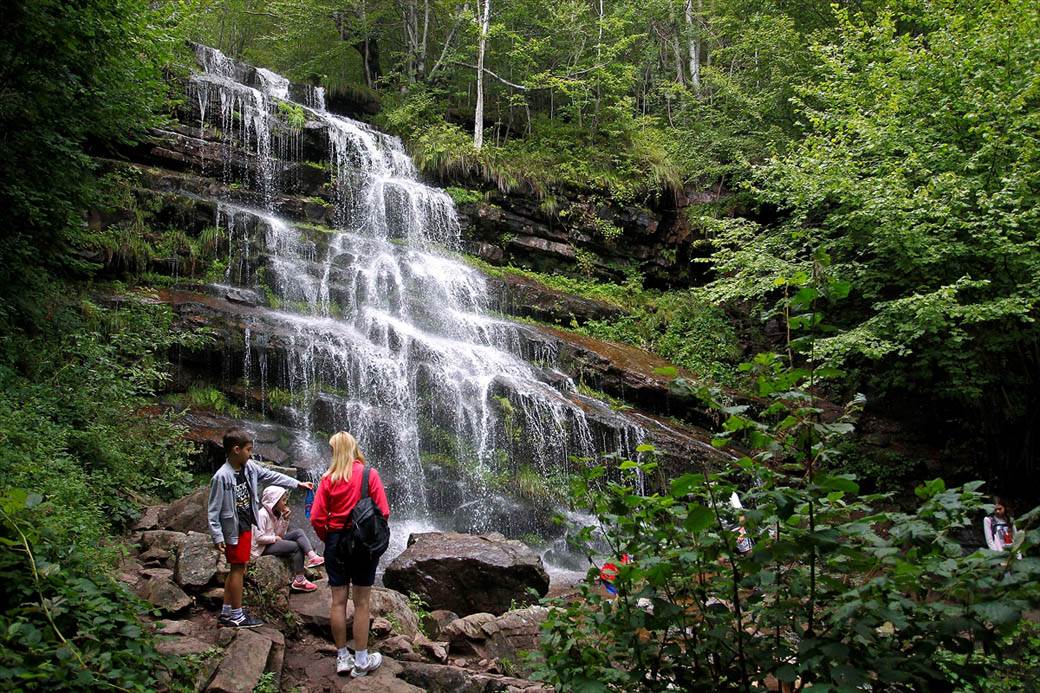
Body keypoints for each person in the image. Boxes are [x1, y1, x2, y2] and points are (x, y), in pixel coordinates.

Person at [207, 428, 314, 628]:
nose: (251, 454)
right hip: (234, 530)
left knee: (237, 568)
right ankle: (237, 615)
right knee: (238, 569)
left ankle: (227, 612)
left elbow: (272, 476)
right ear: (236, 450)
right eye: (248, 450)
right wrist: (217, 535)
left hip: (246, 525)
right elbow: (213, 509)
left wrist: (297, 484)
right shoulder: (222, 477)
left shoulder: (249, 468)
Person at [310, 431, 390, 678]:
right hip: (363, 544)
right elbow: (384, 512)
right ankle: (362, 660)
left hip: (336, 543)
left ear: (334, 451)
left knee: (338, 602)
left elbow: (316, 518)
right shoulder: (369, 474)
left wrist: (328, 539)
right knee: (362, 603)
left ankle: (343, 658)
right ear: (354, 449)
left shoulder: (328, 479)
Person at [252, 485, 324, 592]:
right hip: (262, 547)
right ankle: (299, 580)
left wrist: (285, 520)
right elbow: (258, 538)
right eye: (283, 500)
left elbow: (281, 535)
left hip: (272, 541)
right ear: (274, 501)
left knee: (298, 532)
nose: (285, 503)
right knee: (296, 547)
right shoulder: (262, 515)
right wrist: (274, 538)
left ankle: (313, 556)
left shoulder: (276, 514)